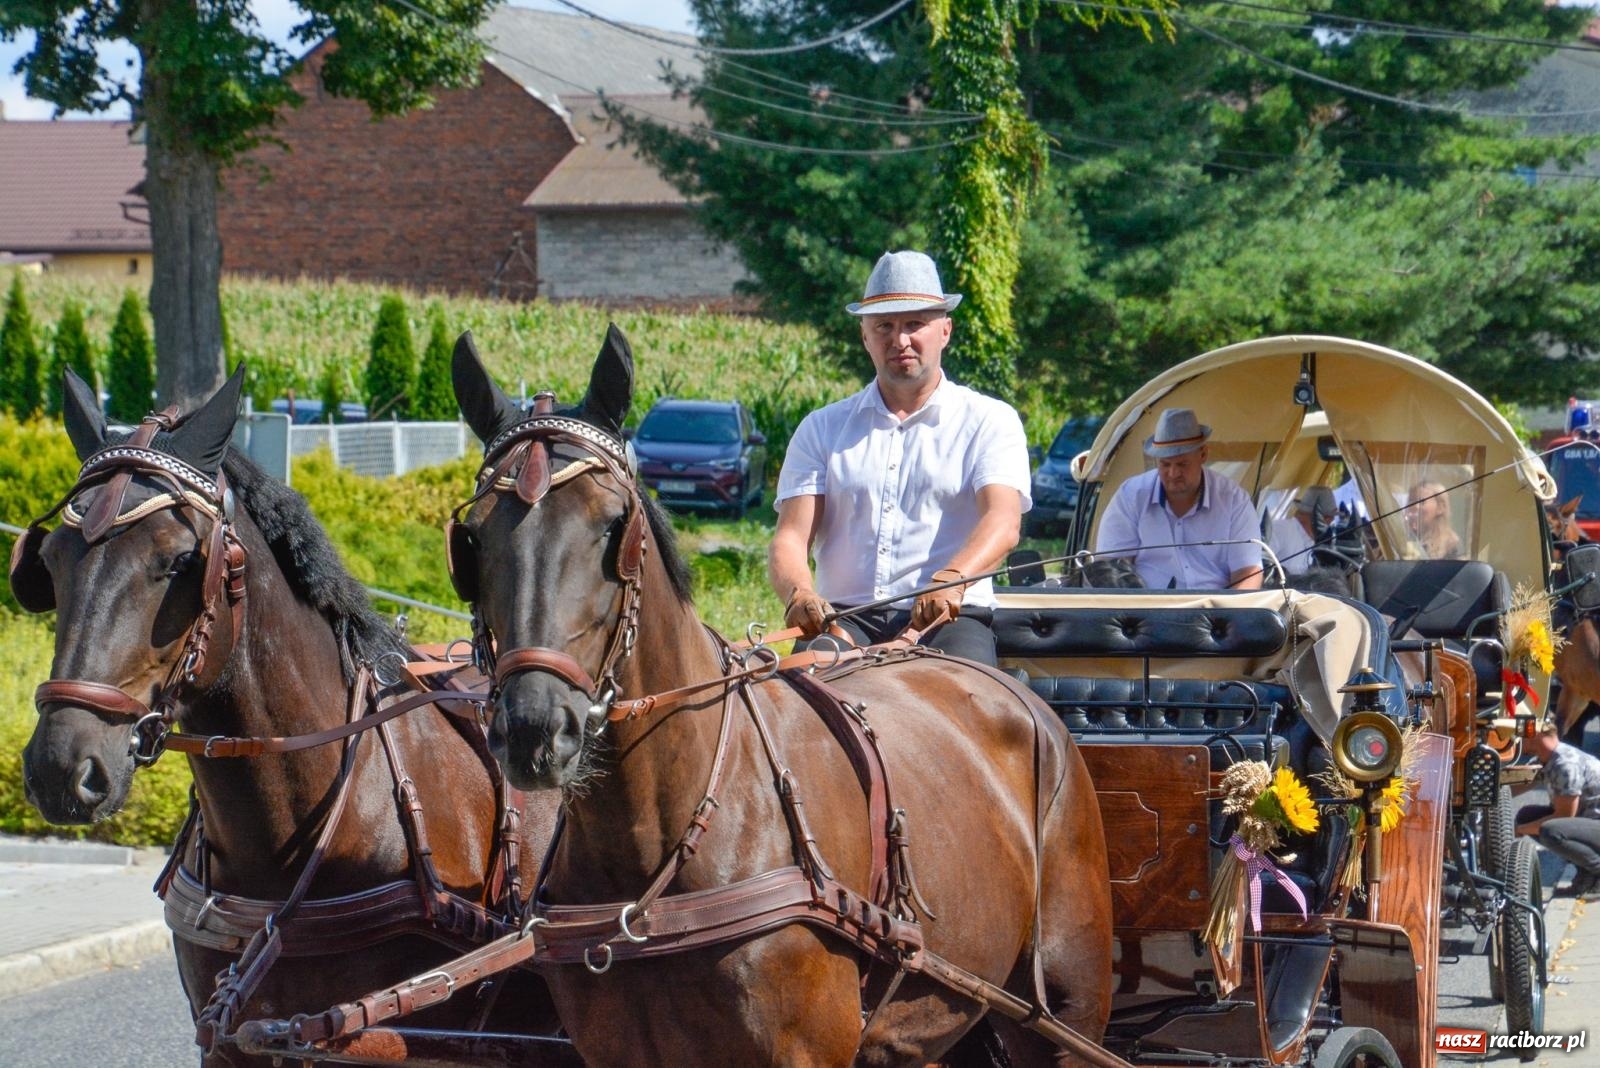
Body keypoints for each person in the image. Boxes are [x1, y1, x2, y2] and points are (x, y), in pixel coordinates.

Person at [768, 250, 1030, 665]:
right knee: (799, 705)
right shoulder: (821, 428)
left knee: (969, 705)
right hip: (843, 621)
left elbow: (1003, 521)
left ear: (945, 330)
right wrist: (799, 593)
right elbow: (790, 538)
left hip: (950, 616)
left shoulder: (990, 420)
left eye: (914, 324)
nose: (900, 340)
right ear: (865, 337)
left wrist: (952, 580)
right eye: (884, 326)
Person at [1094, 408, 1264, 590]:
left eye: (1182, 464)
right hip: (1146, 610)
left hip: (1214, 610)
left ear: (1203, 455)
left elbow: (1248, 573)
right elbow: (1110, 570)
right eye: (1165, 464)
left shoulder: (1233, 500)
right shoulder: (1131, 495)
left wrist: (1229, 615)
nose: (1173, 473)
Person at [1515, 721, 1600, 897]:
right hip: (1589, 823)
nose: (1516, 741)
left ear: (1535, 736)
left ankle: (1595, 870)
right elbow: (1516, 785)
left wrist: (1520, 830)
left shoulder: (1565, 764)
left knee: (1551, 831)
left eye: (1520, 737)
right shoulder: (1548, 759)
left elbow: (1565, 816)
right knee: (1526, 816)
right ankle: (1586, 870)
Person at [1267, 486, 1338, 576]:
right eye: (1328, 517)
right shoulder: (1280, 529)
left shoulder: (1313, 544)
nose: (1331, 520)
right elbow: (1261, 564)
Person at [1404, 479, 1463, 560]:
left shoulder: (1451, 545)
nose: (1414, 506)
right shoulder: (1405, 539)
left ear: (1440, 507)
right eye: (1411, 501)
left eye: (1422, 502)